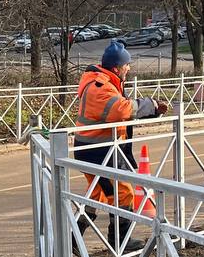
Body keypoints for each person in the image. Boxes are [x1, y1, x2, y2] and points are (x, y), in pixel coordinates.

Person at [72, 40, 169, 245]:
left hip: (92, 147)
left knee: (96, 195)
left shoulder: (103, 81)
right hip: (100, 150)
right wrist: (149, 104)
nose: (129, 68)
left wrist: (148, 112)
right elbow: (120, 110)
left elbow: (120, 111)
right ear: (116, 67)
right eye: (126, 65)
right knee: (124, 194)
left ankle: (72, 238)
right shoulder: (101, 86)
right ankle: (119, 243)